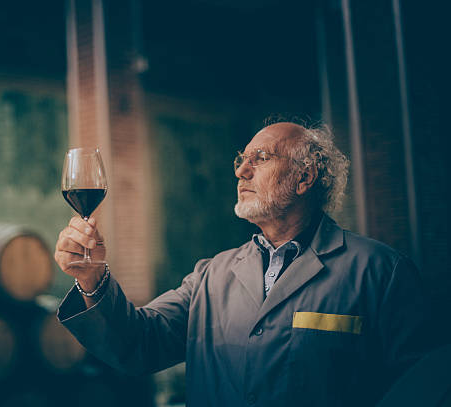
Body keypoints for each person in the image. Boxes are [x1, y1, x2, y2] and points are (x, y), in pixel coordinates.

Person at [54, 121, 439, 406]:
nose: (240, 170)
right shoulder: (211, 275)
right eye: (242, 160)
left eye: (261, 158)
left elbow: (421, 388)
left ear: (304, 178)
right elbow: (139, 345)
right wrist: (93, 279)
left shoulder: (381, 272)